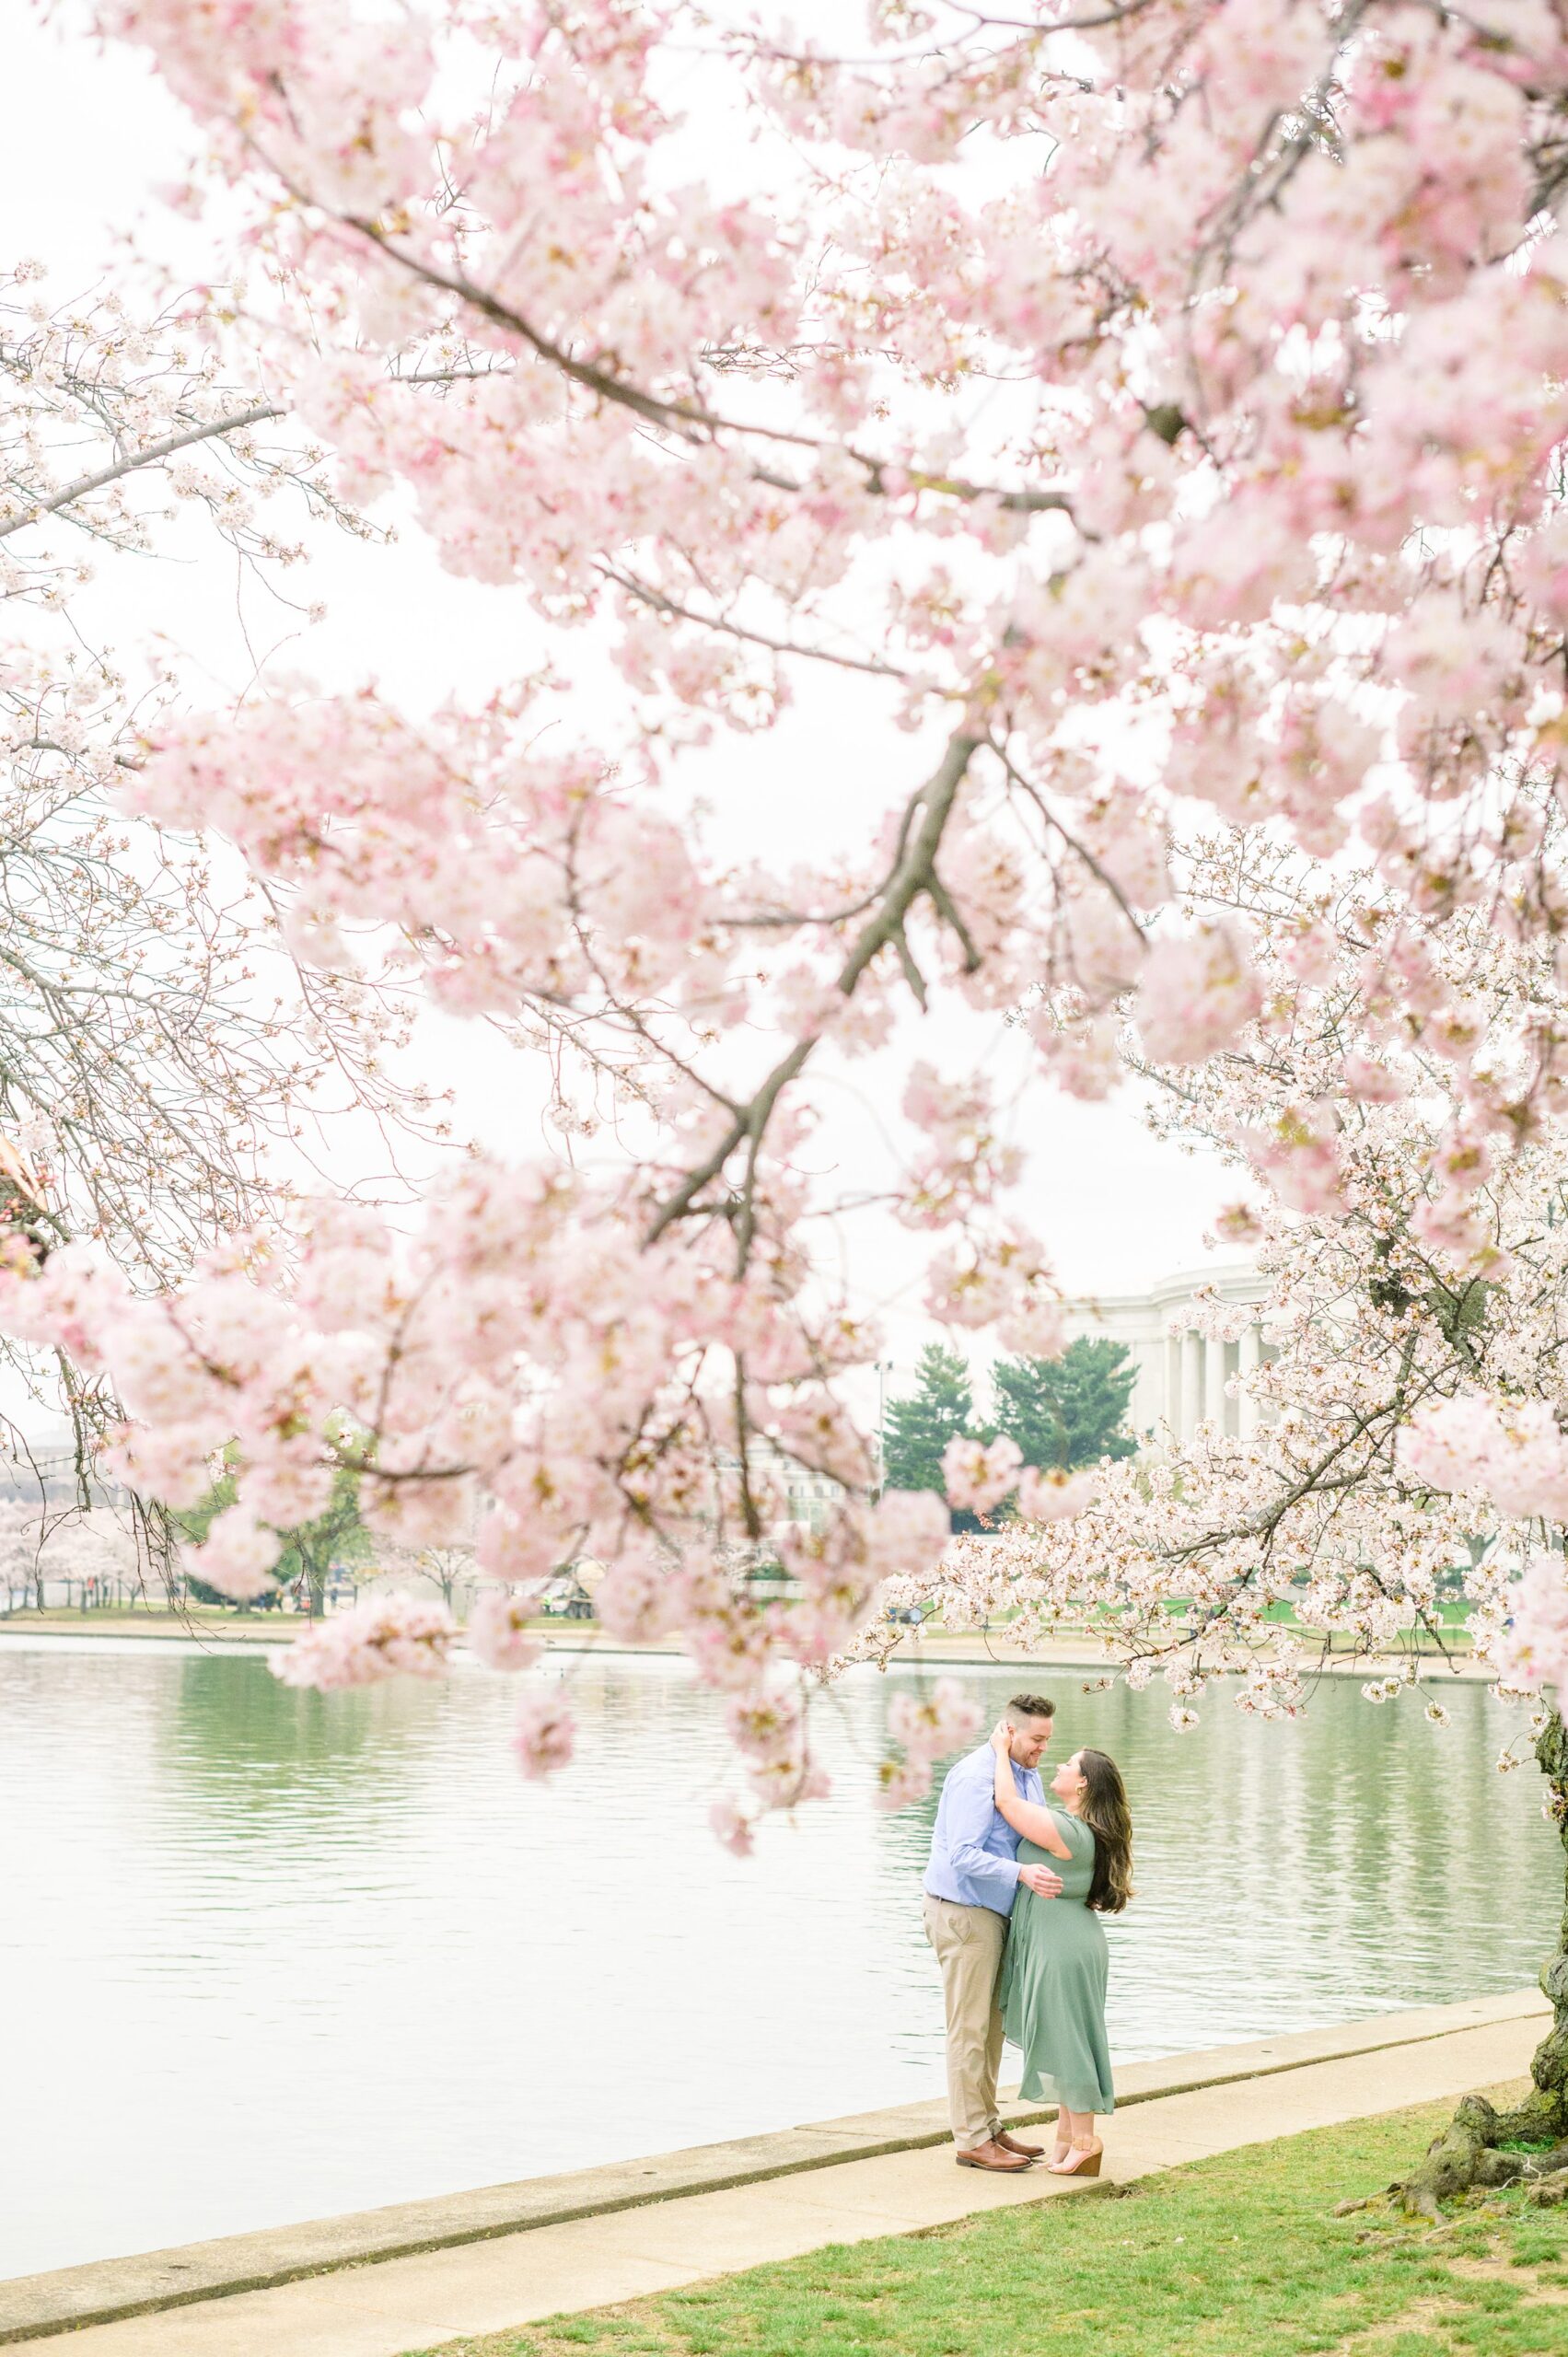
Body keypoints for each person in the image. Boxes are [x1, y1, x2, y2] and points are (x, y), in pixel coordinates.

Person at [922, 1692, 1064, 2173]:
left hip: (996, 1915)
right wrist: (1021, 1875)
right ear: (1009, 1731)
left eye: (1047, 1739)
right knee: (969, 2030)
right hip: (964, 1913)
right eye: (1037, 1739)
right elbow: (962, 1854)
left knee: (993, 2030)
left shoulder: (1024, 1773)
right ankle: (970, 2140)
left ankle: (989, 2126)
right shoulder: (975, 1777)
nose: (1043, 1748)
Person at [988, 1722, 1133, 2177]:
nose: (1059, 1764)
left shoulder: (1070, 1831)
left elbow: (1006, 1802)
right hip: (1065, 1939)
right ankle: (1067, 2139)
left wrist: (999, 1751)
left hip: (1063, 1946)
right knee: (1062, 2035)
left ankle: (1086, 2141)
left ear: (1084, 1782)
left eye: (1068, 1764)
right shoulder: (1077, 1827)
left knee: (1069, 2041)